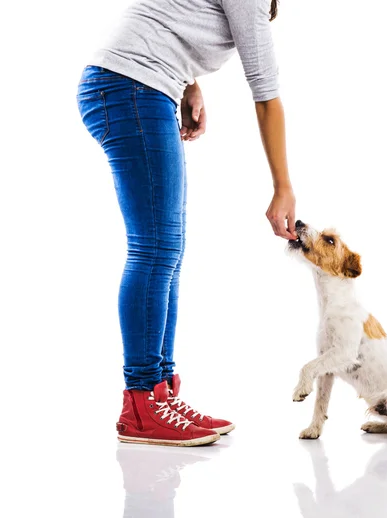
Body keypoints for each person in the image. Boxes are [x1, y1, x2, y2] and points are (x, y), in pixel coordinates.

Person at [76, 0, 296, 447]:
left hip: (134, 86)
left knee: (165, 250)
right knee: (154, 248)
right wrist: (283, 187)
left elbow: (168, 20)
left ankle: (159, 395)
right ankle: (142, 404)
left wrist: (188, 83)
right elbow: (265, 93)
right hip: (131, 87)